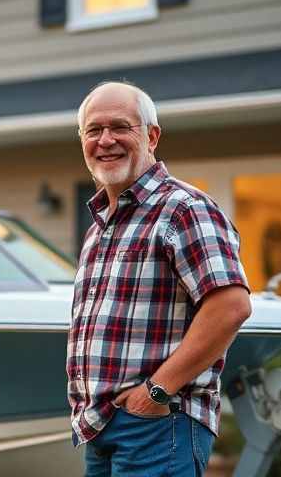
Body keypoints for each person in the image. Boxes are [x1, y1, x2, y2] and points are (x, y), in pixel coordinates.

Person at [68, 81, 252, 476]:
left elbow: (231, 306)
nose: (106, 140)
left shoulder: (183, 209)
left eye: (120, 127)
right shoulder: (99, 226)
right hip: (102, 425)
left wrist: (156, 392)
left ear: (151, 136)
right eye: (94, 130)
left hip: (157, 423)